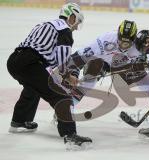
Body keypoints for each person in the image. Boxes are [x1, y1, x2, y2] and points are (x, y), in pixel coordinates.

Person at [7, 2, 92, 148]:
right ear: (71, 17)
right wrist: (68, 78)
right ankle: (70, 135)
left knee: (34, 87)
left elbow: (42, 53)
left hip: (14, 61)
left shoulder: (47, 24)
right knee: (61, 95)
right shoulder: (65, 30)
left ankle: (19, 121)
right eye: (77, 22)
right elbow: (61, 62)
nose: (77, 27)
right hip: (30, 63)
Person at [64, 20, 149, 121]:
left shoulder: (139, 44)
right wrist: (71, 73)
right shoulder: (104, 40)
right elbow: (78, 57)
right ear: (117, 35)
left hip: (124, 65)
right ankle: (67, 108)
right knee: (87, 83)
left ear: (134, 39)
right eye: (121, 40)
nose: (124, 45)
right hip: (100, 62)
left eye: (128, 42)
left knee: (147, 83)